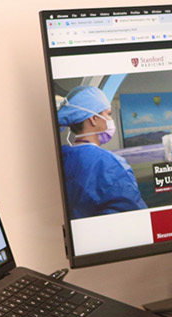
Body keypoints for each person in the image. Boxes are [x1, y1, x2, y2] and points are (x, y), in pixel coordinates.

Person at [56, 85, 146, 218]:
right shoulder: (112, 165)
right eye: (108, 114)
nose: (110, 120)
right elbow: (134, 219)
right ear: (93, 118)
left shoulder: (61, 158)